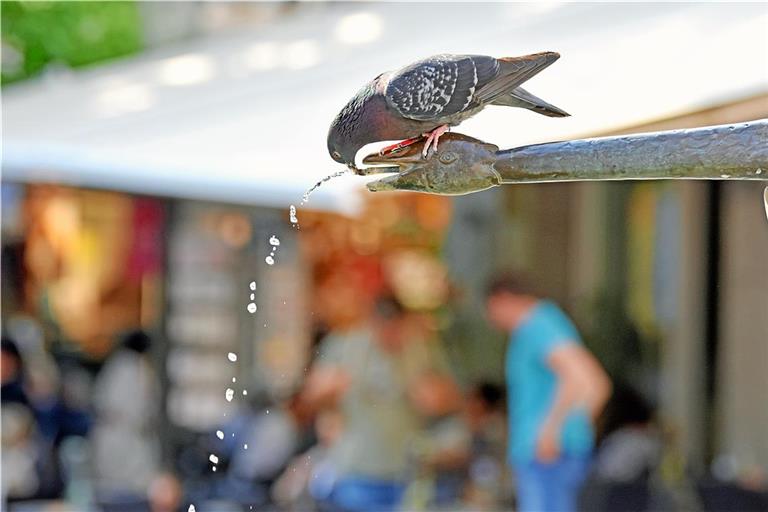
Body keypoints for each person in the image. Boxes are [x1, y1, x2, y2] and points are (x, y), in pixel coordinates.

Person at [303, 293, 461, 512]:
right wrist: (329, 389)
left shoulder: (421, 348)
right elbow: (310, 396)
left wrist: (432, 395)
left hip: (407, 472)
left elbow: (453, 400)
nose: (390, 334)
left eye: (396, 326)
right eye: (383, 326)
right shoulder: (346, 345)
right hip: (356, 469)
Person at [485, 274, 612, 512]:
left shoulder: (537, 324)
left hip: (547, 455)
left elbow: (583, 378)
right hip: (551, 451)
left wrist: (553, 430)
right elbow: (596, 384)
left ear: (503, 299)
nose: (492, 319)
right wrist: (577, 425)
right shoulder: (543, 324)